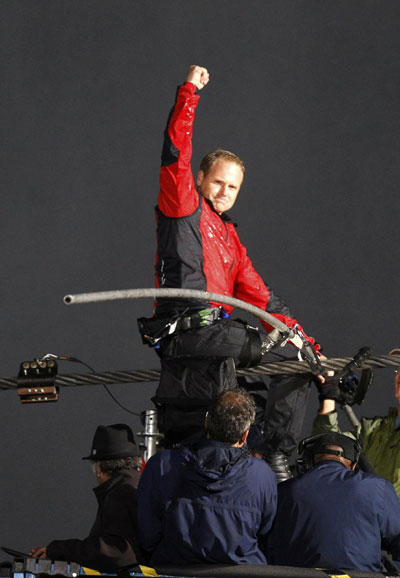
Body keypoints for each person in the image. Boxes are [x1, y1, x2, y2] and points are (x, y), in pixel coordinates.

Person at [138, 64, 322, 473]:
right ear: (201, 178)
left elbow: (263, 298)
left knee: (293, 363)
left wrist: (307, 344)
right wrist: (188, 94)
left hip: (217, 340)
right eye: (218, 182)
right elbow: (175, 152)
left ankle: (277, 455)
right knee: (262, 343)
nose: (224, 192)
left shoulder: (230, 239)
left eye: (233, 187)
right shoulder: (182, 204)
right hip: (187, 331)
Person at [136, 388, 277, 566]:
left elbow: (147, 532)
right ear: (245, 435)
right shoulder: (261, 475)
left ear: (206, 422)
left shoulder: (162, 465)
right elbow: (265, 530)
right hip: (243, 571)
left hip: (174, 569)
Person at [268, 432, 400, 572]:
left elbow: (269, 545)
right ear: (354, 464)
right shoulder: (378, 488)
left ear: (308, 460)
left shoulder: (284, 491)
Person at [29, 424, 143, 572]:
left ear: (99, 470)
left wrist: (58, 549)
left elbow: (115, 551)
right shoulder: (141, 485)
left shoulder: (120, 494)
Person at [313, 348, 400, 498]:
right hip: (367, 519)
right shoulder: (374, 430)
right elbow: (329, 450)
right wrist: (329, 394)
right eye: (398, 369)